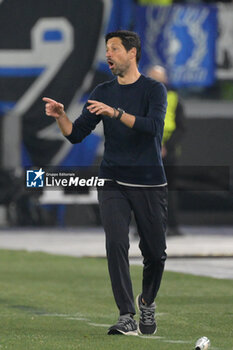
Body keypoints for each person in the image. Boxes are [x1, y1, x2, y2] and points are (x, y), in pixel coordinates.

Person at [43, 30, 168, 336]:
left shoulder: (154, 89)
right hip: (112, 180)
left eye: (114, 49)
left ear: (132, 53)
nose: (108, 55)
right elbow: (76, 134)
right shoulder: (102, 90)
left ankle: (147, 302)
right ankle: (126, 314)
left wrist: (116, 113)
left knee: (155, 252)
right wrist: (61, 117)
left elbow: (152, 128)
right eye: (107, 50)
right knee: (115, 243)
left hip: (149, 182)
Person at [148, 65, 186, 236]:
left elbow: (181, 127)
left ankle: (173, 226)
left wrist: (166, 147)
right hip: (146, 151)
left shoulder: (174, 98)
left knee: (169, 190)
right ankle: (143, 227)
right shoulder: (140, 97)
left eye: (158, 79)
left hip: (168, 153)